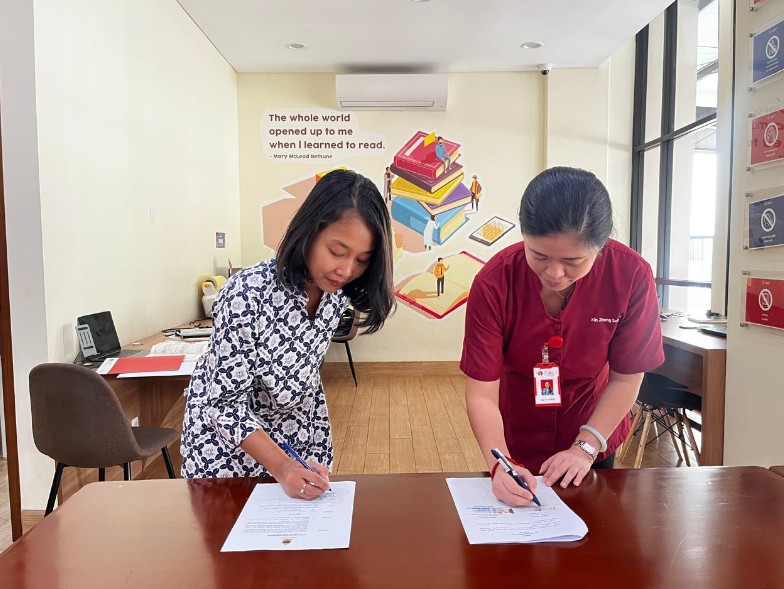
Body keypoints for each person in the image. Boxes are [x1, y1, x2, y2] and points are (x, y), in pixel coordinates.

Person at [181, 169, 395, 500]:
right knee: (231, 544)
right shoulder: (247, 292)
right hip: (228, 450)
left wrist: (297, 458)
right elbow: (224, 405)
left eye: (362, 260)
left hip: (294, 440)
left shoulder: (335, 293)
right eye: (337, 251)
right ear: (309, 232)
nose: (347, 270)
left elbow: (300, 376)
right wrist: (281, 466)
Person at [460, 166, 663, 507]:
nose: (553, 273)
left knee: (593, 537)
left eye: (573, 261)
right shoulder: (495, 282)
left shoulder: (630, 275)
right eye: (538, 255)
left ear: (600, 248)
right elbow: (481, 393)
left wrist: (586, 446)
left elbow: (627, 379)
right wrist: (500, 464)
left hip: (594, 427)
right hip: (516, 434)